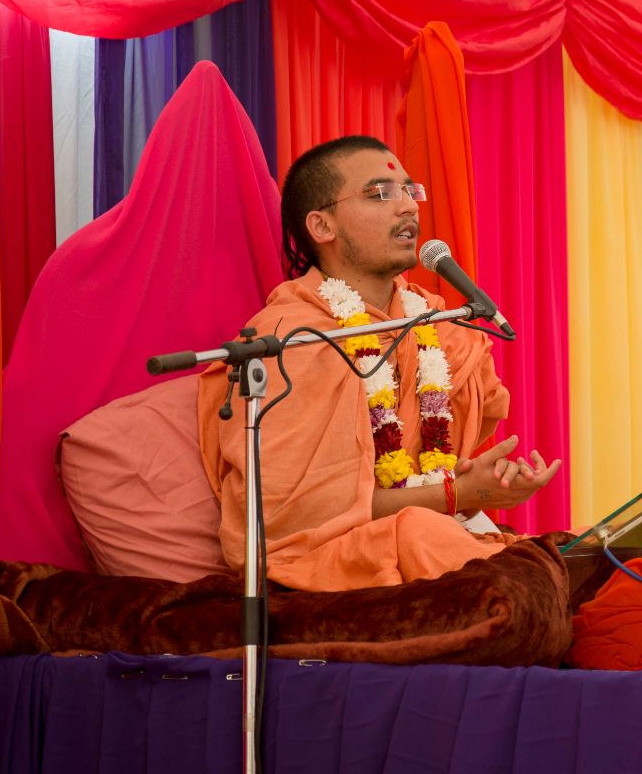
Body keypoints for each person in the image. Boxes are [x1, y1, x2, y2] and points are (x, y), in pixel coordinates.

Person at [198, 135, 560, 591]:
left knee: (577, 555)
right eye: (381, 194)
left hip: (429, 537)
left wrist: (483, 483)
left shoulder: (440, 324)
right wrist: (455, 496)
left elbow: (442, 465)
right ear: (322, 226)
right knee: (429, 536)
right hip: (322, 558)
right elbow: (296, 513)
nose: (408, 207)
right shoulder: (293, 341)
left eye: (411, 191)